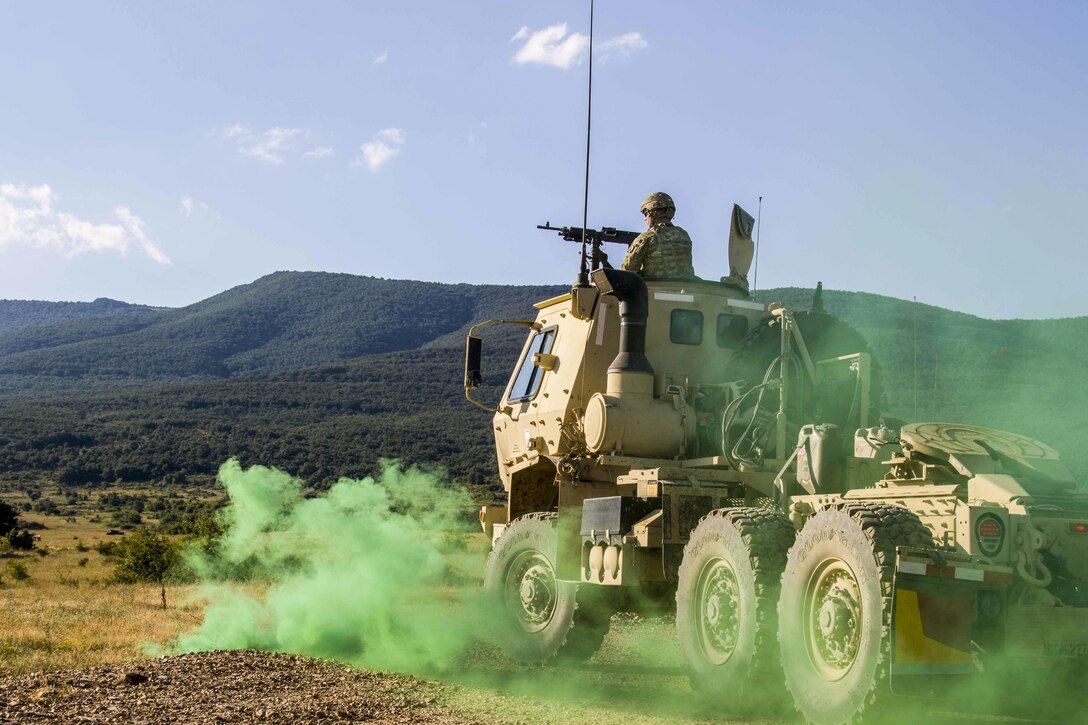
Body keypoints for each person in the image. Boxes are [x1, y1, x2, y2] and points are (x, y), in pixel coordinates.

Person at [621, 192, 695, 278]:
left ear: (653, 212)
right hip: (685, 289)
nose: (645, 218)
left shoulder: (646, 238)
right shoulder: (684, 235)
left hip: (654, 289)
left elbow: (627, 271)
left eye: (645, 213)